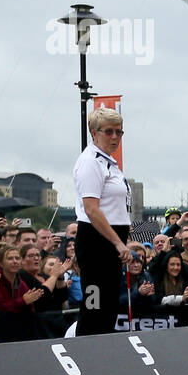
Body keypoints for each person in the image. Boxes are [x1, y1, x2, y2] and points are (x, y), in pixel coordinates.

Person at [74, 107, 132, 334]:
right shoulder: (90, 162)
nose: (115, 137)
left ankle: (101, 355)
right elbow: (91, 209)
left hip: (110, 242)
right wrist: (117, 242)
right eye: (109, 132)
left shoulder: (109, 163)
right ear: (94, 132)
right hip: (95, 241)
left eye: (119, 132)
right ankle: (84, 356)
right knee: (94, 305)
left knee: (108, 307)